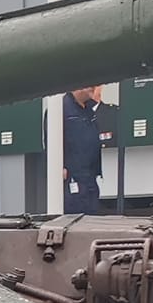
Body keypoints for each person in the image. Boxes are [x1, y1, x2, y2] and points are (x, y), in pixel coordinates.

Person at [62, 86, 104, 215]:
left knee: (92, 213)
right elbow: (52, 139)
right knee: (75, 213)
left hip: (90, 175)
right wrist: (60, 166)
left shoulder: (88, 109)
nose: (95, 88)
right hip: (73, 175)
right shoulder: (62, 108)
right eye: (91, 86)